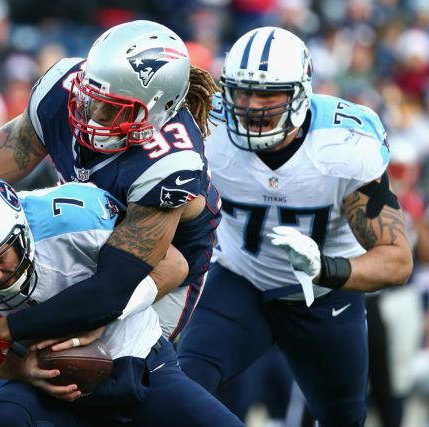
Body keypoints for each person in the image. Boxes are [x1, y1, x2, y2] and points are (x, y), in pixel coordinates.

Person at [0, 20, 221, 347]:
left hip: (157, 273)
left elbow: (113, 289)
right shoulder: (62, 92)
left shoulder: (170, 165)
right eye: (91, 95)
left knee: (96, 369)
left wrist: (7, 330)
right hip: (86, 242)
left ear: (156, 112)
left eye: (111, 108)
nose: (91, 113)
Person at [176, 26, 413, 427]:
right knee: (181, 388)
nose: (252, 106)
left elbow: (396, 261)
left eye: (268, 93)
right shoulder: (205, 127)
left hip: (323, 295)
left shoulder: (343, 142)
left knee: (342, 417)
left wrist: (325, 269)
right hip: (241, 280)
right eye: (242, 91)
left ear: (301, 92)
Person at [0, 173, 242, 427]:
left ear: (20, 230)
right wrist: (23, 370)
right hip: (52, 389)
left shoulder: (78, 220)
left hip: (137, 362)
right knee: (5, 414)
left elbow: (174, 265)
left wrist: (103, 314)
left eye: (0, 258)